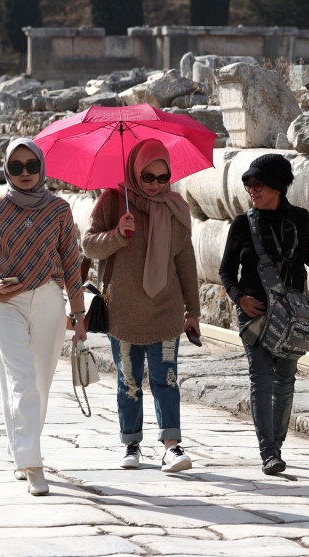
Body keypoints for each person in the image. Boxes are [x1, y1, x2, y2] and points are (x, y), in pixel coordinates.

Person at [0, 138, 87, 496]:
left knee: (39, 383)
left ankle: (20, 447)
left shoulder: (60, 210)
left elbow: (72, 263)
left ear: (41, 167)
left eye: (31, 166)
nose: (24, 173)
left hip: (50, 301)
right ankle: (33, 464)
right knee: (21, 380)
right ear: (7, 169)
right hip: (6, 302)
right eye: (17, 167)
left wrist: (79, 315)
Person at [82, 138, 201, 473]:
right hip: (121, 311)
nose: (155, 184)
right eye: (147, 177)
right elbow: (89, 245)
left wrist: (193, 312)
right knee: (129, 380)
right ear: (134, 172)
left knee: (166, 377)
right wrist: (119, 234)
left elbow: (186, 263)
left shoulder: (175, 207)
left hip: (165, 309)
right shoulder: (112, 201)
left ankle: (172, 447)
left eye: (163, 178)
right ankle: (131, 443)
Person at [219, 154, 309, 475]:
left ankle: (276, 446)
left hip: (291, 317)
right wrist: (240, 299)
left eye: (258, 183)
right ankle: (268, 452)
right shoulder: (241, 225)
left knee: (285, 381)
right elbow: (226, 271)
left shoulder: (301, 218)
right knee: (261, 379)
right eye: (248, 183)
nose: (252, 189)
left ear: (278, 186)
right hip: (255, 316)